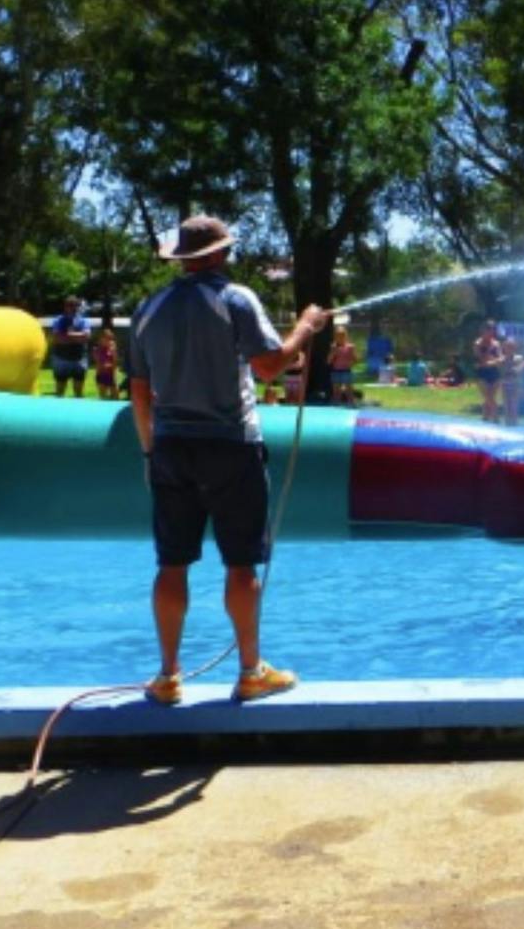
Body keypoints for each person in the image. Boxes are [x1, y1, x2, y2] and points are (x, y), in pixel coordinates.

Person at [127, 215, 327, 706]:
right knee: (241, 564)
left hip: (170, 447)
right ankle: (250, 672)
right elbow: (270, 366)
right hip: (231, 445)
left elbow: (139, 391)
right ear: (218, 254)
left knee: (171, 564)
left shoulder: (148, 308)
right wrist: (306, 327)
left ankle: (168, 676)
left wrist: (150, 450)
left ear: (183, 258)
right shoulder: (236, 299)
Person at [48, 296, 91, 397]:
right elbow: (57, 339)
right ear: (65, 306)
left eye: (75, 305)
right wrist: (77, 337)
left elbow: (86, 337)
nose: (72, 308)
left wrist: (67, 335)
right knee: (60, 392)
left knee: (79, 392)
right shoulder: (58, 320)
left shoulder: (83, 321)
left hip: (79, 359)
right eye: (70, 305)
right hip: (61, 359)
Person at [473, 319, 504, 423]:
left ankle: (485, 420)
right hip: (482, 373)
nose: (491, 332)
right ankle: (496, 419)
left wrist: (492, 361)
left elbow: (501, 358)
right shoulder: (478, 343)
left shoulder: (496, 344)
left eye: (492, 330)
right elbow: (480, 359)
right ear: (483, 330)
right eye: (488, 330)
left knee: (490, 398)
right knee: (489, 397)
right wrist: (490, 356)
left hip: (494, 373)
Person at [327, 325, 359, 407]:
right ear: (335, 337)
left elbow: (356, 359)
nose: (340, 338)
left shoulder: (350, 347)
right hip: (336, 371)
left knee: (348, 389)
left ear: (345, 336)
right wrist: (333, 352)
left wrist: (351, 362)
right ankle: (336, 403)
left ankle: (351, 403)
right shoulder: (333, 347)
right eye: (338, 336)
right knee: (336, 389)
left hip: (346, 370)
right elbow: (329, 361)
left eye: (342, 335)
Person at [499, 334, 521, 426]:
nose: (509, 349)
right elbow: (502, 371)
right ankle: (507, 423)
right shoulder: (502, 359)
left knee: (514, 403)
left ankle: (514, 422)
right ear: (504, 348)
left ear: (515, 348)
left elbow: (518, 370)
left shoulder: (518, 358)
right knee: (506, 404)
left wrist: (513, 369)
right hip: (505, 383)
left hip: (515, 383)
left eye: (511, 347)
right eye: (508, 347)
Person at [94, 328, 120, 401]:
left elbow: (116, 362)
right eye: (106, 338)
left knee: (115, 396)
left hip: (111, 374)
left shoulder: (112, 348)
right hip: (102, 374)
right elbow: (98, 363)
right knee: (102, 396)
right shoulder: (97, 349)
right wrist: (103, 367)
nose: (109, 340)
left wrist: (113, 352)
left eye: (110, 338)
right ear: (101, 339)